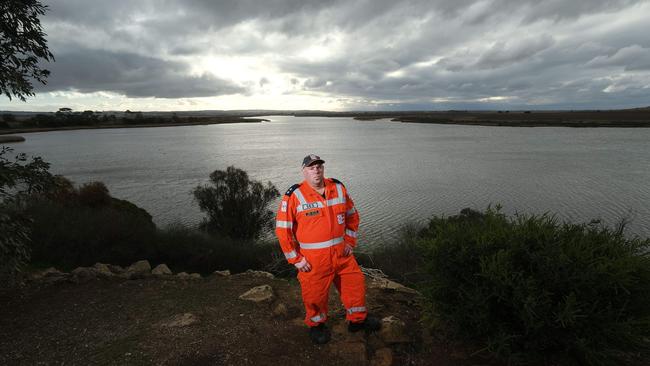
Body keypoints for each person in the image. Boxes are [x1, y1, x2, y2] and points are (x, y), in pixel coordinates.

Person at [275, 154, 380, 344]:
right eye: (311, 167)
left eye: (319, 166)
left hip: (342, 254)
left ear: (323, 168)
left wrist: (349, 241)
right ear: (304, 171)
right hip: (314, 260)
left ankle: (357, 321)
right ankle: (317, 326)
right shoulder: (294, 195)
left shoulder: (338, 188)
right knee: (315, 295)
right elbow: (283, 231)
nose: (316, 170)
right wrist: (297, 260)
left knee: (355, 286)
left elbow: (352, 216)